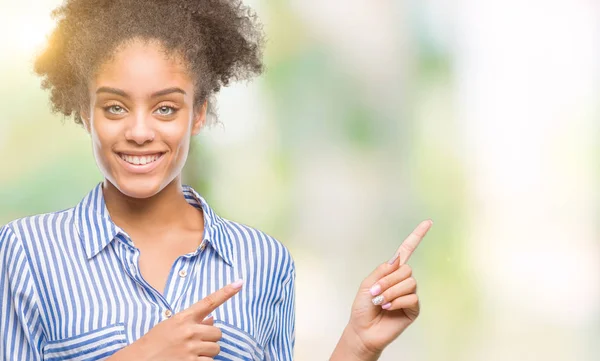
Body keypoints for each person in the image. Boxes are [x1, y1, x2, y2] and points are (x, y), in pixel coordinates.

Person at [0, 0, 433, 360]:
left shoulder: (264, 261)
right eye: (114, 107)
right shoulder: (28, 251)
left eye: (166, 108)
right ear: (83, 112)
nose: (139, 131)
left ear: (199, 113)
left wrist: (357, 344)